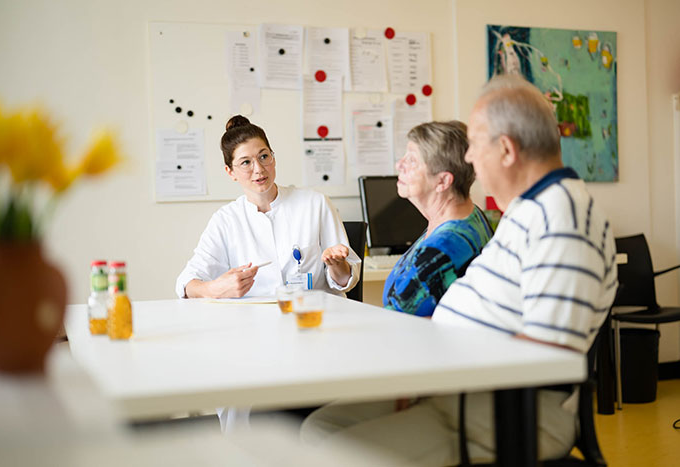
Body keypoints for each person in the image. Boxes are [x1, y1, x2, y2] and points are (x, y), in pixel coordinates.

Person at [300, 75, 618, 465]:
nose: (468, 159)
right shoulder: (528, 211)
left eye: (475, 147)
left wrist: (434, 377)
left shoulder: (561, 220)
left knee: (331, 451)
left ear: (506, 149)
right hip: (461, 390)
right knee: (319, 428)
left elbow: (546, 358)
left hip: (501, 410)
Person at [175, 115, 360, 300]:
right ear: (230, 172)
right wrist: (215, 289)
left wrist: (337, 265)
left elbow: (346, 280)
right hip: (255, 323)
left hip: (314, 318)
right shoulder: (226, 220)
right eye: (246, 162)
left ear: (273, 157)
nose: (259, 169)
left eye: (264, 156)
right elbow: (187, 283)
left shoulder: (315, 204)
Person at [383, 121, 492, 317]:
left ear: (442, 181)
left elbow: (397, 320)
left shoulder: (440, 249)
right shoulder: (471, 214)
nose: (399, 165)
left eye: (412, 161)